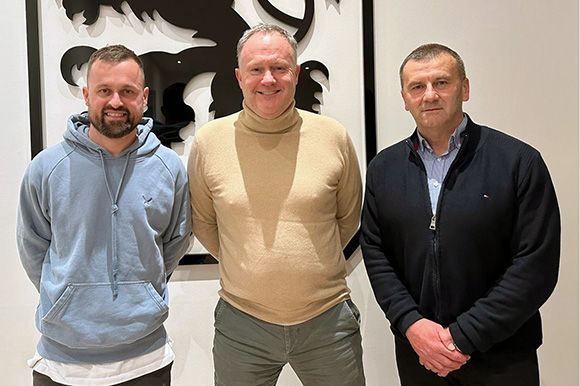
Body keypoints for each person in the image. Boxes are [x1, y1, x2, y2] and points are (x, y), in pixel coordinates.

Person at [360, 43, 560, 385]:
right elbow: (377, 254)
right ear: (405, 98)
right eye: (417, 87)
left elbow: (535, 265)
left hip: (502, 357)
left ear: (464, 88)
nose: (430, 95)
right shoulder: (384, 169)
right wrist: (412, 325)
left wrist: (461, 338)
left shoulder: (518, 162)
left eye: (442, 83)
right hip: (420, 356)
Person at [188, 24, 365, 386]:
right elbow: (203, 223)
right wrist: (248, 262)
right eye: (256, 69)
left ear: (296, 74)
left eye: (279, 68)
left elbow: (348, 218)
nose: (268, 79)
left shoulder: (333, 137)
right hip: (242, 326)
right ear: (239, 77)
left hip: (327, 322)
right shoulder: (209, 142)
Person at [17, 44, 191, 386]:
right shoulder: (46, 168)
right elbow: (32, 247)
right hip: (63, 364)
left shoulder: (169, 167)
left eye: (126, 91)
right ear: (86, 95)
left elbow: (175, 242)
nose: (115, 102)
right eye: (104, 91)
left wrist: (142, 292)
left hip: (147, 360)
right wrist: (69, 297)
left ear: (143, 97)